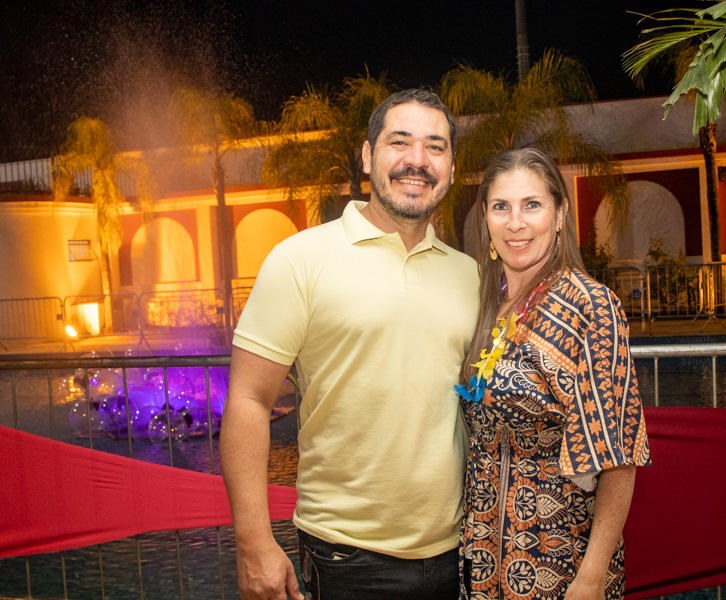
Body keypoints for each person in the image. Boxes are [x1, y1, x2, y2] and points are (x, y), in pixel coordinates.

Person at [220, 89, 479, 600]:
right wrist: (253, 541)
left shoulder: (468, 274)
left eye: (435, 146)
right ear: (367, 155)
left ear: (451, 167)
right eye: (399, 142)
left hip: (462, 552)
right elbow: (249, 399)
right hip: (346, 558)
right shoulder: (299, 260)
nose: (417, 160)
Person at [455, 148, 650, 600]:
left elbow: (618, 455)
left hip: (560, 560)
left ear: (560, 214)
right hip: (480, 558)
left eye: (532, 205)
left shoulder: (591, 306)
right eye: (501, 206)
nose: (515, 223)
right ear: (485, 217)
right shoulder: (484, 303)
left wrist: (592, 577)